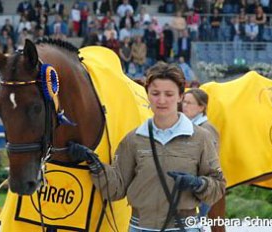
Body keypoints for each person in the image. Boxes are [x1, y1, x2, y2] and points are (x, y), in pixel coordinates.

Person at [67, 62, 226, 231]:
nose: (162, 100)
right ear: (147, 94)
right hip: (140, 228)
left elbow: (218, 185)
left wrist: (198, 184)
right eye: (155, 93)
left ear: (180, 96)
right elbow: (116, 189)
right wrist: (94, 163)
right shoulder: (133, 140)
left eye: (169, 94)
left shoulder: (201, 138)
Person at [181, 88, 221, 219]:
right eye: (184, 102)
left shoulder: (206, 128)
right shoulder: (188, 126)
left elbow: (211, 161)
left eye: (189, 103)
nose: (184, 106)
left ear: (201, 107)